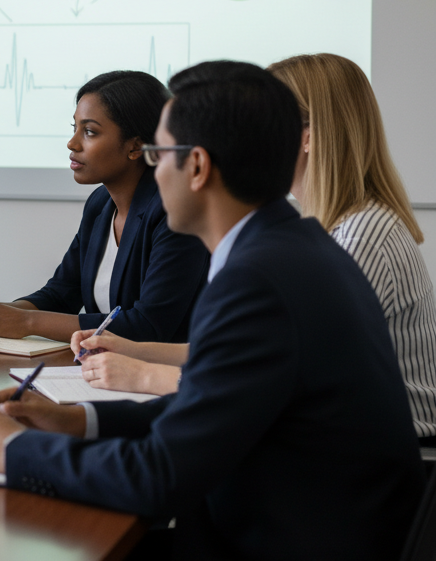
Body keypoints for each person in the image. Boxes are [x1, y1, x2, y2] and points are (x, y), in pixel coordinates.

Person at [0, 61, 423, 558]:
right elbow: (209, 402)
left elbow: (160, 476)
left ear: (198, 167)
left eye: (159, 154)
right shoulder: (294, 248)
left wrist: (13, 450)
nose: (154, 171)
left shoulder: (257, 282)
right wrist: (79, 420)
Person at [74, 54, 436, 444]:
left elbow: (262, 382)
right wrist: (135, 351)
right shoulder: (314, 230)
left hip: (391, 447)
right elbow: (247, 355)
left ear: (305, 137)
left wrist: (143, 374)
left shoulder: (357, 238)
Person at [0, 71, 208, 343]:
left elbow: (147, 325)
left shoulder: (176, 213)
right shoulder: (100, 204)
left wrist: (27, 321)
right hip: (104, 365)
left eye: (89, 131)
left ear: (136, 147)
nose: (72, 143)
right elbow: (61, 294)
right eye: (75, 128)